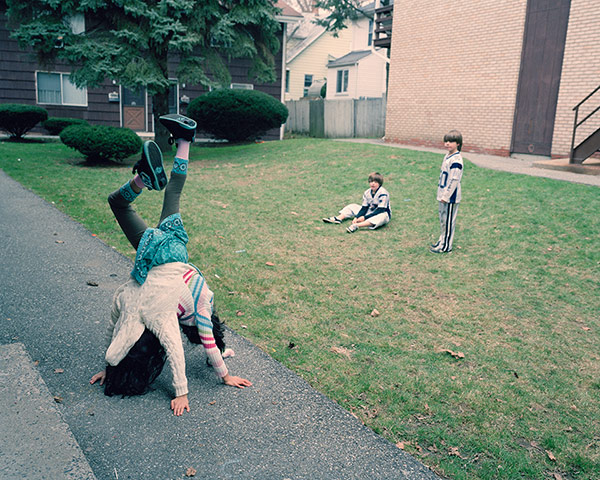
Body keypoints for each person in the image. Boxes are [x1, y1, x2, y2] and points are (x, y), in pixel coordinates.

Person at [90, 114, 252, 416]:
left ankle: (184, 140)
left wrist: (110, 367)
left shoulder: (201, 303)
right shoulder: (144, 306)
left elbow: (206, 344)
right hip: (151, 257)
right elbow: (119, 328)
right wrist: (111, 364)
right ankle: (144, 178)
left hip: (174, 251)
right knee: (118, 203)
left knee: (174, 191)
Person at [322, 172, 391, 233]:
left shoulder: (383, 193)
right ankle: (338, 218)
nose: (373, 183)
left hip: (382, 213)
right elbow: (364, 207)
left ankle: (356, 226)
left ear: (379, 184)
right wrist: (357, 217)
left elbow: (380, 210)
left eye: (375, 182)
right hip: (370, 211)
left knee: (382, 217)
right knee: (352, 206)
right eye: (371, 181)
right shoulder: (367, 192)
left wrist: (364, 217)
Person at [430, 130, 463, 254]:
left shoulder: (456, 160)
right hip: (442, 194)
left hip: (450, 198)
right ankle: (442, 241)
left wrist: (446, 195)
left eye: (451, 141)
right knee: (443, 221)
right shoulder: (448, 156)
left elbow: (454, 180)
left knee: (448, 222)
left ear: (458, 143)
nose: (447, 144)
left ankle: (446, 246)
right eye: (446, 141)